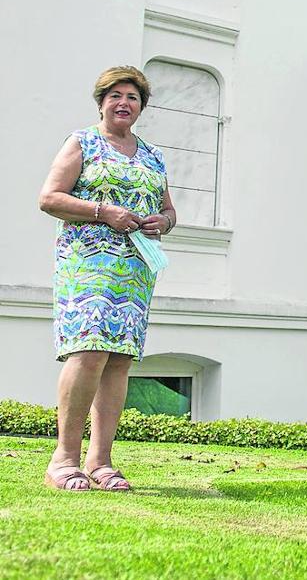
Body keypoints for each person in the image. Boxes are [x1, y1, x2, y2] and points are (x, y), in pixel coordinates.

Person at [37, 66, 176, 492]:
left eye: (132, 97)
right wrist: (103, 212)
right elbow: (49, 198)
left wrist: (163, 222)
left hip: (135, 269)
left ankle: (100, 462)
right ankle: (64, 459)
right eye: (115, 95)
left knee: (118, 360)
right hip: (88, 263)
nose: (123, 103)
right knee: (89, 352)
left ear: (141, 107)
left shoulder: (153, 155)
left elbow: (170, 210)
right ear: (101, 102)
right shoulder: (83, 142)